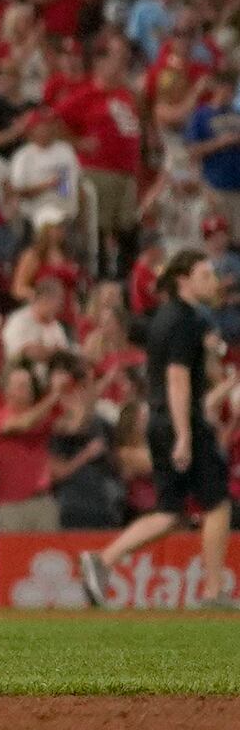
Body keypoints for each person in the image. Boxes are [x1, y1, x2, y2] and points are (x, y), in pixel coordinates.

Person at [94, 249, 227, 601]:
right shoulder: (186, 320)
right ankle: (214, 591)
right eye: (204, 275)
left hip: (158, 419)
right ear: (183, 280)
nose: (212, 281)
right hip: (181, 421)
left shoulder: (164, 318)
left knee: (170, 512)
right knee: (217, 504)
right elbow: (177, 379)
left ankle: (104, 559)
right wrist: (184, 435)